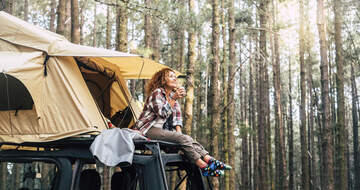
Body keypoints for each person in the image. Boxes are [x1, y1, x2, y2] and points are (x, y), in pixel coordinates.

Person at [134, 68, 231, 177]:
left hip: (160, 131)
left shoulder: (173, 98)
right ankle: (203, 166)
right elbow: (162, 113)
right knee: (184, 139)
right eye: (170, 76)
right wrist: (174, 99)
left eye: (175, 76)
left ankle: (210, 160)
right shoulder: (157, 93)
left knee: (187, 139)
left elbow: (177, 122)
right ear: (163, 80)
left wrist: (180, 137)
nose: (175, 78)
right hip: (147, 130)